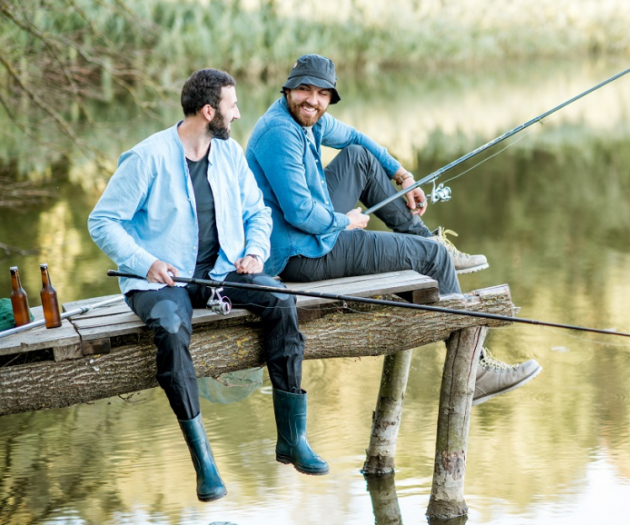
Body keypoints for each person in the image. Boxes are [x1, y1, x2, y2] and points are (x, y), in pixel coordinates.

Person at [245, 54, 541, 405]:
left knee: (360, 158)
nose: (313, 100)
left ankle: (429, 242)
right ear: (288, 89)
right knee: (431, 258)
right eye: (304, 90)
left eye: (322, 93)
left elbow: (355, 137)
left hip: (311, 233)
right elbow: (299, 213)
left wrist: (401, 174)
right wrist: (347, 222)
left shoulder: (309, 121)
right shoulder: (280, 132)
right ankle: (474, 373)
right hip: (299, 253)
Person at [88, 69, 327, 503]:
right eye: (232, 106)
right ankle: (205, 462)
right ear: (208, 111)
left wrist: (255, 251)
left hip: (222, 270)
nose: (238, 114)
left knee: (280, 300)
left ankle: (292, 439)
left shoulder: (229, 153)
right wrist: (146, 262)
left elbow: (258, 213)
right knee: (171, 329)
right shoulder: (147, 158)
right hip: (161, 279)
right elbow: (102, 222)